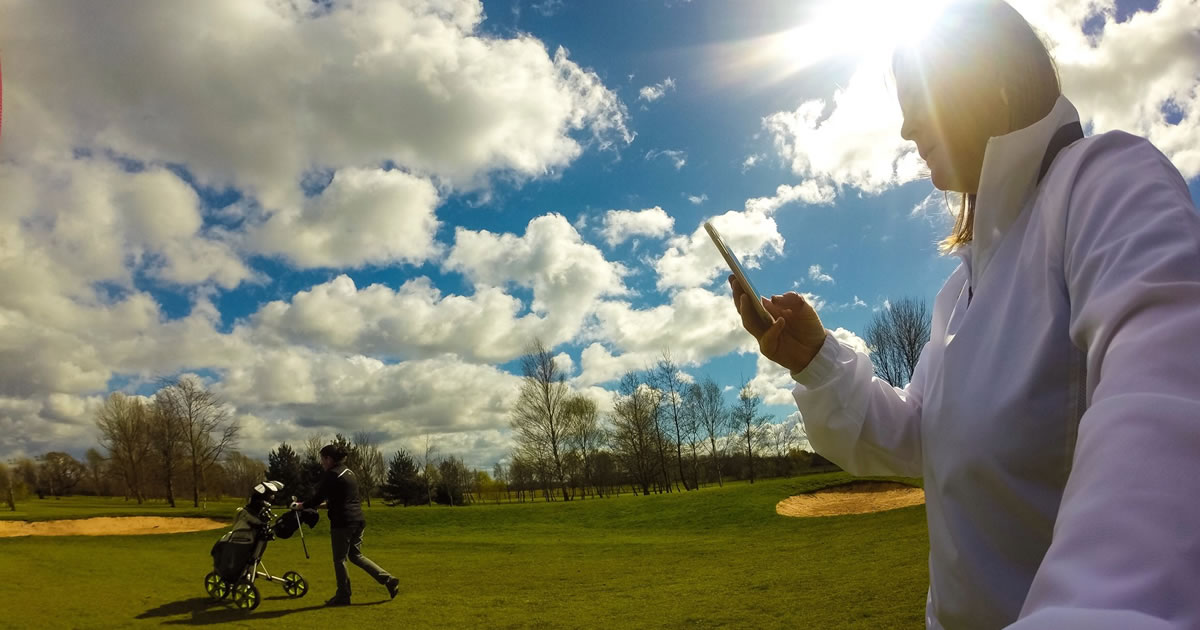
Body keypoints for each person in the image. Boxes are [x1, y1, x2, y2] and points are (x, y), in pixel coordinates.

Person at [730, 1, 1200, 628]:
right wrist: (814, 360)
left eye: (918, 99)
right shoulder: (957, 291)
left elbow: (1169, 408)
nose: (905, 130)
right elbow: (921, 440)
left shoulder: (1105, 179)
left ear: (993, 80)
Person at [293, 443, 400, 606]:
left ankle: (343, 595)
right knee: (356, 556)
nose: (322, 462)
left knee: (340, 559)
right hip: (358, 520)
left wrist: (301, 506)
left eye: (323, 459)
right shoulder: (349, 473)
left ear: (329, 459)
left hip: (342, 523)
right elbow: (338, 501)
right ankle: (389, 579)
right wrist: (315, 506)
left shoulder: (332, 474)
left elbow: (317, 498)